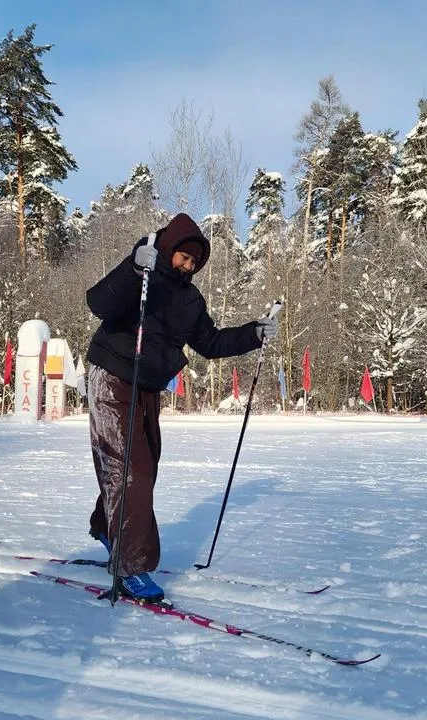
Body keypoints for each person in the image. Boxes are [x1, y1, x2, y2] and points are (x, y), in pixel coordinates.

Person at [84, 212, 278, 602]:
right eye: (183, 257)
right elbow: (99, 302)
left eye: (194, 262)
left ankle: (108, 528)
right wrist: (132, 269)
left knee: (143, 468)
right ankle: (130, 565)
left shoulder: (190, 299)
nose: (188, 266)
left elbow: (210, 342)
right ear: (169, 247)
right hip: (112, 378)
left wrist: (253, 334)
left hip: (147, 387)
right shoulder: (142, 271)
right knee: (130, 472)